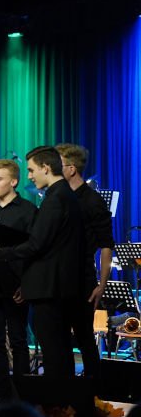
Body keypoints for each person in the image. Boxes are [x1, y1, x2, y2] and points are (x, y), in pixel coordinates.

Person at [0, 145, 86, 379]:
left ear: (46, 168)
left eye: (31, 170)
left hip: (50, 287)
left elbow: (37, 244)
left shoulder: (55, 198)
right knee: (57, 350)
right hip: (52, 286)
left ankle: (55, 405)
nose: (29, 175)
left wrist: (1, 252)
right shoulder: (62, 195)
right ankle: (58, 404)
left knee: (53, 352)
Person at [0, 159, 36, 405]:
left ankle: (22, 394)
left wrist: (27, 284)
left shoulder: (28, 211)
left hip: (15, 286)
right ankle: (1, 392)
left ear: (13, 182)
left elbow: (34, 250)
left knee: (19, 340)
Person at [57, 143, 114, 380]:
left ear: (71, 169)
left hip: (82, 278)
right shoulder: (58, 197)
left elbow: (106, 245)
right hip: (58, 277)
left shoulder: (92, 201)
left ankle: (92, 390)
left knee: (83, 338)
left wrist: (101, 284)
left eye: (57, 165)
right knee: (58, 338)